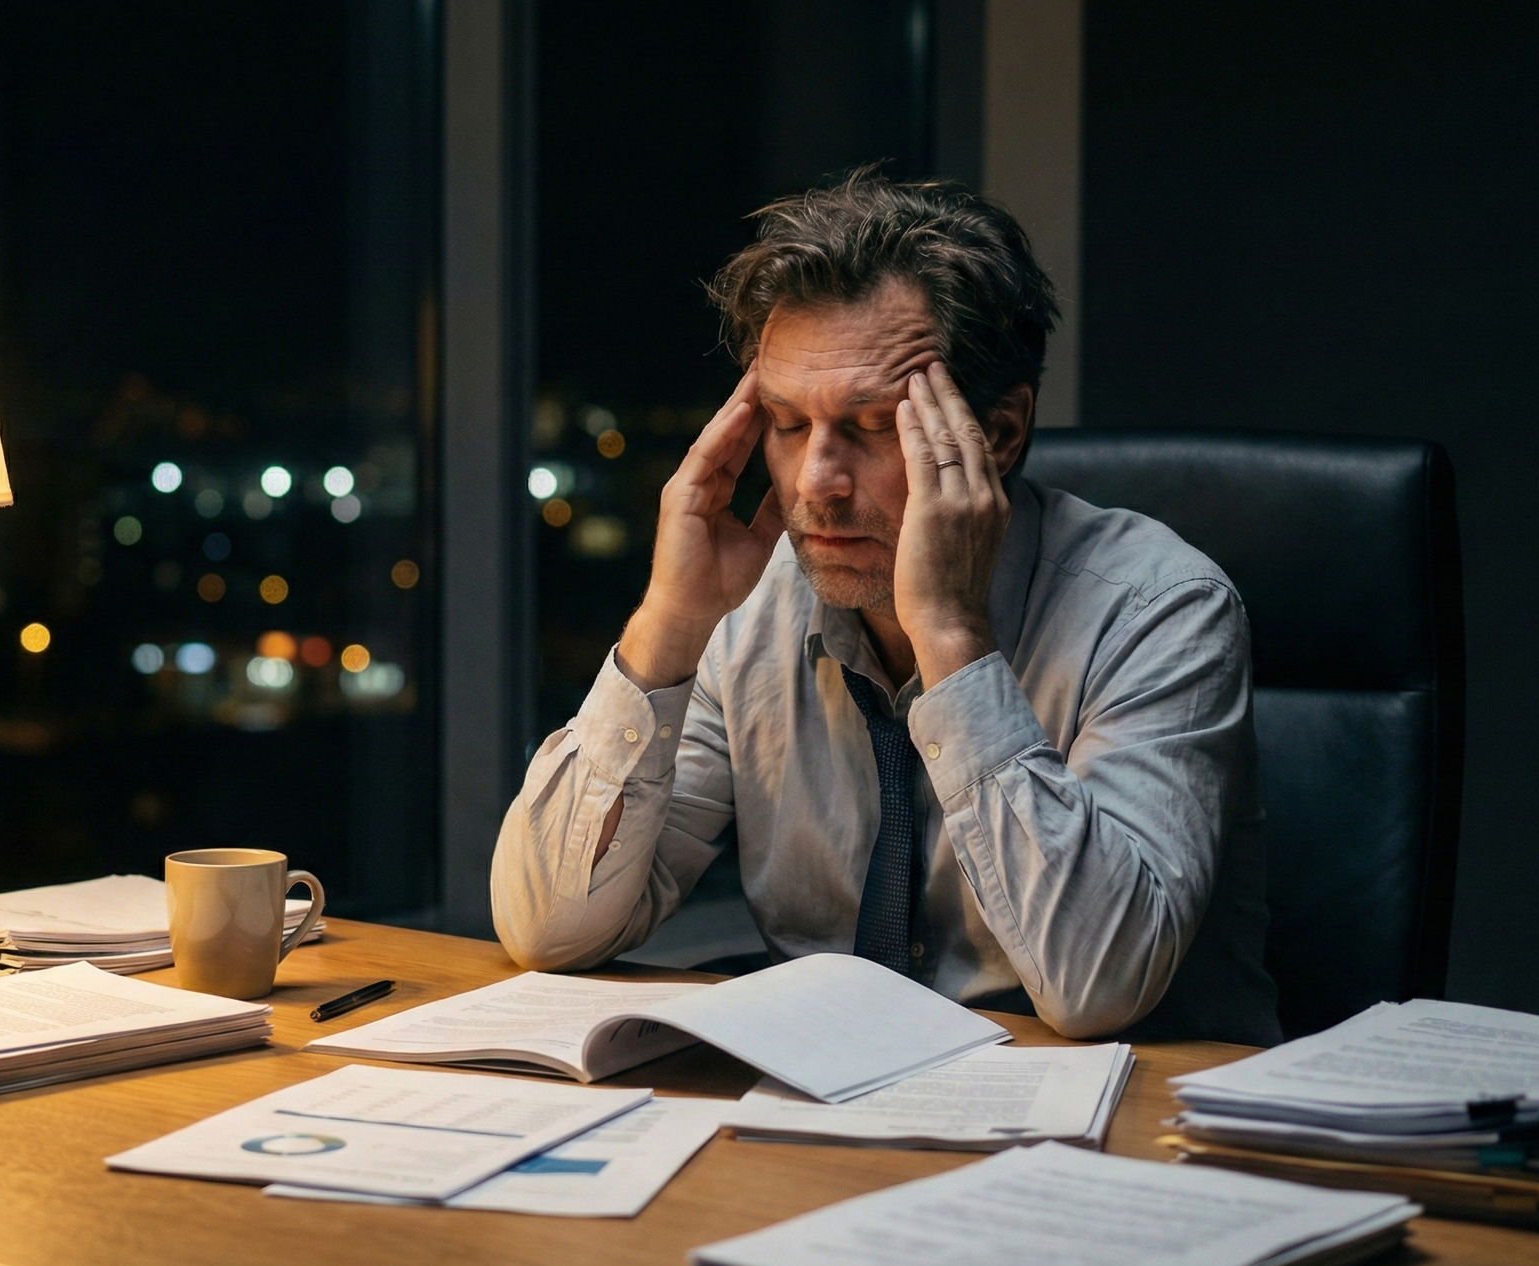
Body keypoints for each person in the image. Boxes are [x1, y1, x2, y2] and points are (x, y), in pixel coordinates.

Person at [490, 167, 1279, 1045]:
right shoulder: (752, 606)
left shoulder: (1162, 608)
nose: (817, 484)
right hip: (831, 1102)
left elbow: (1097, 987)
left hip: (1131, 1136)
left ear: (1002, 433)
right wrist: (668, 627)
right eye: (788, 426)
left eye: (871, 428)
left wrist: (950, 641)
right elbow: (549, 929)